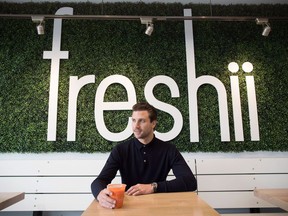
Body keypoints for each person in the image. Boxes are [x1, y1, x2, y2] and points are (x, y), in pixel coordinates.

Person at [91, 102, 197, 209]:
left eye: (141, 121)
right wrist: (100, 194)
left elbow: (190, 182)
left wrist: (153, 187)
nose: (136, 126)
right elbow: (100, 180)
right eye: (133, 120)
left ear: (153, 123)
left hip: (159, 207)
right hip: (130, 208)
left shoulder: (169, 150)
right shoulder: (120, 150)